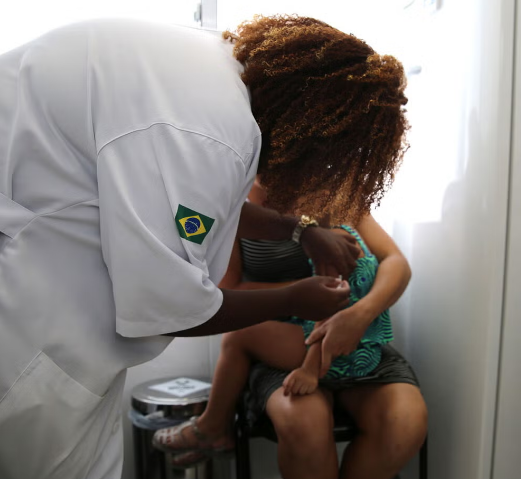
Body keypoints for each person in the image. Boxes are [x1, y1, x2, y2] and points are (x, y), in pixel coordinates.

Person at [0, 14, 410, 479]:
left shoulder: (213, 81)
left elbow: (206, 205)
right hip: (24, 312)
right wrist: (293, 298)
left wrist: (299, 231)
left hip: (46, 273)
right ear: (317, 131)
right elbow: (174, 306)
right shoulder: (209, 134)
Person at [152, 178, 428, 479]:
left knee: (405, 422)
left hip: (355, 338)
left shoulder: (337, 190)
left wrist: (360, 315)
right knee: (304, 423)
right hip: (282, 343)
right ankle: (213, 426)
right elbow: (228, 291)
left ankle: (211, 426)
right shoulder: (233, 202)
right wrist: (300, 294)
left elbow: (395, 261)